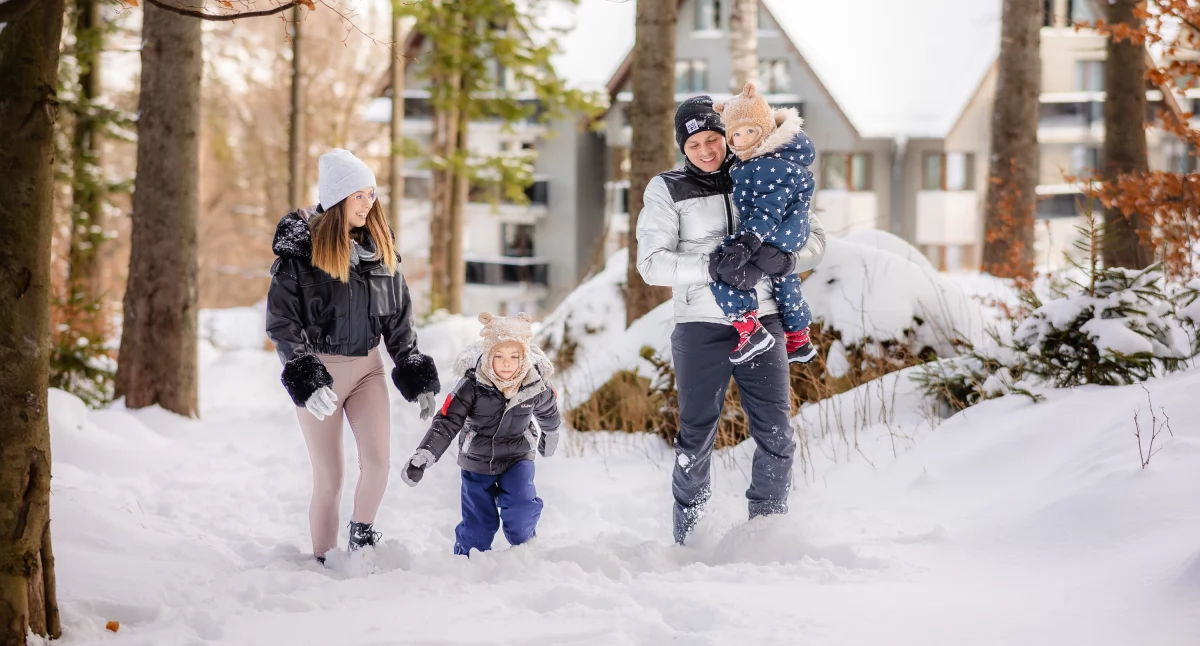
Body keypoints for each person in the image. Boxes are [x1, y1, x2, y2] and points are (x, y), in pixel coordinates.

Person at [636, 96, 827, 545]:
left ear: (727, 135)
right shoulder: (666, 188)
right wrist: (712, 264)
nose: (706, 150)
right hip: (701, 326)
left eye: (713, 139)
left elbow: (815, 237)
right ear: (683, 146)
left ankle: (766, 534)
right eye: (695, 143)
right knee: (696, 436)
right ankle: (691, 535)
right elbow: (651, 264)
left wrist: (785, 259)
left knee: (776, 432)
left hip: (765, 320)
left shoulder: (760, 165)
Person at [266, 148, 441, 564]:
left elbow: (399, 323)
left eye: (371, 194)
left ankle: (361, 538)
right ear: (337, 198)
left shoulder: (381, 254)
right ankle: (324, 559)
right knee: (331, 477)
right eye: (359, 195)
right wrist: (305, 376)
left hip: (368, 371)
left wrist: (414, 374)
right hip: (321, 375)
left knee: (378, 463)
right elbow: (282, 324)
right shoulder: (299, 258)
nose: (369, 203)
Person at [400, 312, 561, 556]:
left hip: (517, 456)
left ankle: (526, 550)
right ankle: (466, 561)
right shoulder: (472, 385)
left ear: (524, 356)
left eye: (514, 356)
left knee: (521, 509)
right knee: (478, 528)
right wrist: (425, 454)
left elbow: (549, 412)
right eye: (499, 355)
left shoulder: (534, 384)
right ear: (488, 355)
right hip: (477, 460)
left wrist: (551, 435)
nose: (507, 363)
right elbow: (447, 421)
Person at [710, 82, 817, 365]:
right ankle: (798, 338)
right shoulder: (773, 158)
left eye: (750, 131)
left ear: (766, 128)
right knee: (784, 278)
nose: (742, 139)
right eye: (735, 134)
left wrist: (749, 241)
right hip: (788, 233)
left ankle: (749, 329)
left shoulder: (769, 165)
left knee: (723, 268)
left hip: (773, 232)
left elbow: (768, 208)